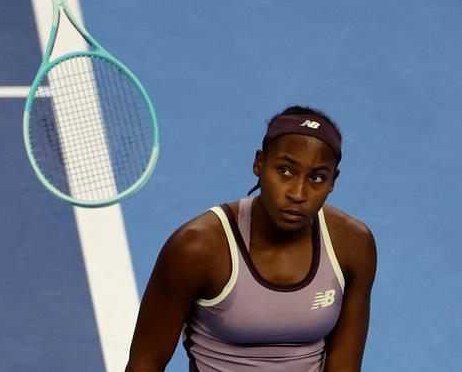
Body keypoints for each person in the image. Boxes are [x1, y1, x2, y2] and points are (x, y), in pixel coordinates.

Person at [125, 106, 377, 371]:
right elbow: (146, 362)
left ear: (332, 181)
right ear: (259, 163)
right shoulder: (197, 248)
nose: (298, 193)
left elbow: (345, 365)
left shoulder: (353, 245)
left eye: (316, 177)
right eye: (285, 171)